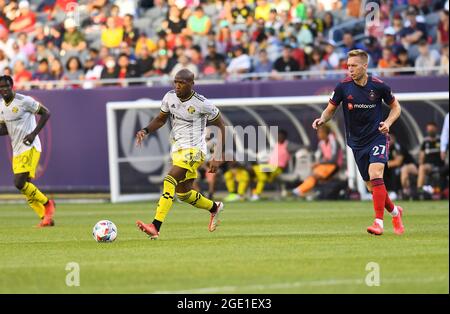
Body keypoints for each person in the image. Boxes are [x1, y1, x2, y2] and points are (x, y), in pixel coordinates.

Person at [312, 49, 405, 236]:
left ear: (365, 66)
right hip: (356, 143)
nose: (350, 70)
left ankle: (378, 223)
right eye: (348, 66)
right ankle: (395, 212)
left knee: (375, 172)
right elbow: (330, 110)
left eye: (354, 66)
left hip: (377, 136)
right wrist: (322, 119)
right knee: (373, 187)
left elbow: (396, 108)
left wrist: (387, 123)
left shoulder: (379, 86)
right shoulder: (342, 87)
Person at [135, 69, 226, 239]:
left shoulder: (202, 103)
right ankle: (214, 207)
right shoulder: (169, 97)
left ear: (192, 84)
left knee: (169, 180)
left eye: (182, 82)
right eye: (175, 82)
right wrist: (145, 130)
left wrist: (218, 155)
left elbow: (222, 125)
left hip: (195, 150)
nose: (177, 86)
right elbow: (161, 119)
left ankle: (155, 226)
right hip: (178, 149)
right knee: (183, 194)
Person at [0, 75, 55, 227]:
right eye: (1, 87)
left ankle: (48, 203)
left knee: (19, 183)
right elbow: (4, 129)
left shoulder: (24, 101)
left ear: (12, 87)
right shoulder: (1, 107)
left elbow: (46, 113)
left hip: (30, 146)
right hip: (17, 149)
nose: (4, 89)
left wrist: (33, 134)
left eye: (6, 86)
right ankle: (46, 218)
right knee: (25, 186)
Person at [292, 124, 342, 198]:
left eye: (321, 132)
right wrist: (316, 163)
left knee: (315, 176)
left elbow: (333, 160)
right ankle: (303, 191)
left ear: (326, 133)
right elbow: (318, 157)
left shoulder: (334, 142)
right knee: (313, 175)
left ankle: (300, 191)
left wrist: (319, 163)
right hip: (325, 165)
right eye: (318, 133)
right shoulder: (321, 144)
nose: (319, 135)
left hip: (335, 166)